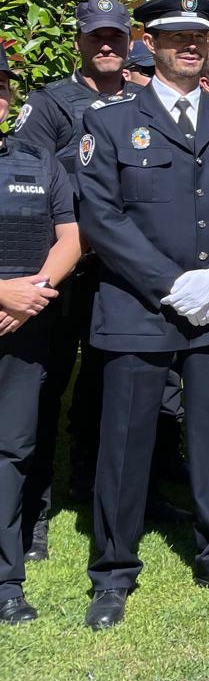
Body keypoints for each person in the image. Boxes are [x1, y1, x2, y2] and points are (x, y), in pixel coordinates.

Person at [77, 0, 209, 630]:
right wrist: (172, 284)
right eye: (176, 37)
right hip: (138, 308)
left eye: (200, 37)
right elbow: (101, 218)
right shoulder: (108, 123)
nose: (190, 46)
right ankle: (112, 573)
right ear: (153, 45)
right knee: (126, 445)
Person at [12, 0, 134, 548]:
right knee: (45, 385)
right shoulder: (50, 103)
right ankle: (33, 507)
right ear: (79, 41)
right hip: (66, 269)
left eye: (116, 36)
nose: (106, 45)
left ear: (131, 42)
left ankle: (99, 484)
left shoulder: (145, 100)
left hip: (125, 268)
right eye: (96, 37)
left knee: (115, 381)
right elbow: (27, 183)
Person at [0, 46, 81, 625]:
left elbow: (69, 236)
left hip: (23, 330)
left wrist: (32, 294)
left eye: (2, 87)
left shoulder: (37, 163)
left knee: (13, 450)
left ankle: (7, 582)